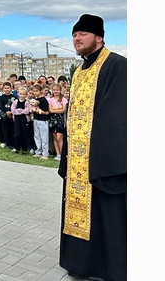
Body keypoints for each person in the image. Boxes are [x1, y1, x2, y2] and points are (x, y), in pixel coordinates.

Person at [58, 14, 126, 281]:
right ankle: (81, 264)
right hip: (78, 159)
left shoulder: (117, 65)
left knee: (107, 214)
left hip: (103, 159)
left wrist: (96, 153)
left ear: (99, 37)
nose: (77, 39)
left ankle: (109, 267)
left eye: (83, 34)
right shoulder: (80, 71)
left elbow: (117, 115)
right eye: (74, 35)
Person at [29, 83, 50, 159]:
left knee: (44, 137)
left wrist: (38, 111)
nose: (35, 93)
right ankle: (38, 151)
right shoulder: (35, 100)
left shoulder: (43, 100)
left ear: (41, 91)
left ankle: (45, 153)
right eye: (34, 91)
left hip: (43, 120)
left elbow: (47, 112)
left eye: (36, 91)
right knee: (37, 136)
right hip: (36, 119)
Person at [48, 83, 67, 161]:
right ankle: (58, 154)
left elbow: (63, 110)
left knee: (60, 137)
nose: (55, 91)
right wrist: (57, 109)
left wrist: (55, 110)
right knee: (55, 137)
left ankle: (63, 153)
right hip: (52, 119)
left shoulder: (63, 99)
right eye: (54, 90)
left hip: (60, 120)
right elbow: (50, 110)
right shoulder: (50, 99)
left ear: (60, 90)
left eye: (57, 90)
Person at [10, 86, 30, 154]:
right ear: (18, 94)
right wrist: (19, 112)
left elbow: (27, 111)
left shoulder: (27, 102)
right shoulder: (15, 102)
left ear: (26, 94)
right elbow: (13, 110)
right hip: (17, 120)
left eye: (24, 94)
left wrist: (20, 111)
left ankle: (24, 148)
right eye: (21, 94)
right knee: (17, 134)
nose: (22, 95)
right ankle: (16, 147)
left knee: (24, 134)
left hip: (24, 119)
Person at [0, 81, 17, 149]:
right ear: (3, 89)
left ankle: (12, 143)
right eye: (5, 88)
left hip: (11, 116)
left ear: (11, 88)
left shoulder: (14, 97)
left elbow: (15, 105)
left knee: (12, 129)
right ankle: (7, 142)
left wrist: (11, 112)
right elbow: (0, 106)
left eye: (8, 88)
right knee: (5, 130)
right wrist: (6, 111)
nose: (7, 89)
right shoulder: (1, 97)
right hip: (4, 116)